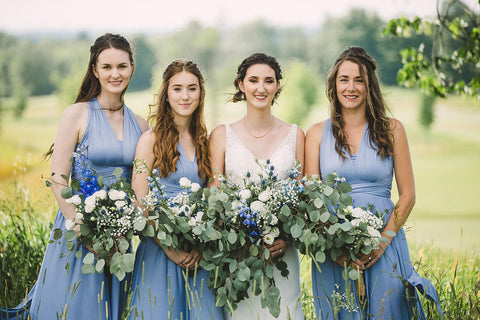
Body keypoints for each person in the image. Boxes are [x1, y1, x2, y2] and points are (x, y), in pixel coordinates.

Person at [0, 33, 149, 320]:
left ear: (132, 67)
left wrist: (123, 232)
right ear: (94, 70)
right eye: (106, 67)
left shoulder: (141, 124)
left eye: (122, 66)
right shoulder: (77, 114)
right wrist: (85, 232)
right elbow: (58, 180)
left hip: (119, 240)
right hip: (77, 231)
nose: (115, 74)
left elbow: (140, 185)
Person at [305, 46, 442, 319]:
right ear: (334, 84)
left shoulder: (392, 130)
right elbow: (310, 197)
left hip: (385, 244)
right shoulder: (317, 134)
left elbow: (408, 195)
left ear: (370, 86)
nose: (351, 87)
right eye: (344, 79)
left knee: (388, 310)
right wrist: (336, 247)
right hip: (334, 250)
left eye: (359, 80)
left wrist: (381, 243)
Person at [209, 53, 305, 320]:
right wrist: (238, 235)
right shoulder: (221, 135)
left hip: (281, 256)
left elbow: (302, 200)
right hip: (238, 258)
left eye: (269, 81)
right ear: (241, 85)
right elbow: (214, 199)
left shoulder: (296, 135)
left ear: (277, 86)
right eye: (253, 80)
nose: (261, 88)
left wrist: (287, 238)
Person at [127, 59, 223, 320]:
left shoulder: (205, 141)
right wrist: (170, 248)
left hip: (199, 253)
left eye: (192, 88)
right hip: (160, 250)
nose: (185, 96)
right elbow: (140, 200)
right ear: (166, 94)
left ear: (200, 93)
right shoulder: (150, 140)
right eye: (177, 88)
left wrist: (202, 246)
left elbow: (213, 197)